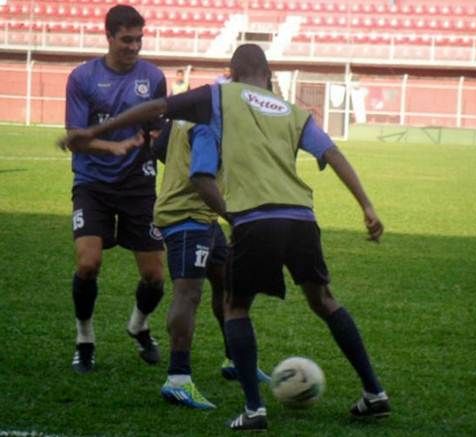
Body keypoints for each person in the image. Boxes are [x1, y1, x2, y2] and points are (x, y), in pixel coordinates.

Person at [61, 43, 390, 431]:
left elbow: (157, 110)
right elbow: (333, 154)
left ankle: (254, 409)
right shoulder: (291, 111)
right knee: (324, 300)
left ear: (232, 74)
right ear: (268, 76)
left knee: (236, 306)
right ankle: (374, 392)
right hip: (301, 217)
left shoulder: (219, 96)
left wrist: (98, 129)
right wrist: (367, 206)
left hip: (254, 218)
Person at [63, 5, 167, 373]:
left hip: (139, 184)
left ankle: (138, 326)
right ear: (108, 36)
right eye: (127, 39)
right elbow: (76, 138)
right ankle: (84, 340)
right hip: (93, 183)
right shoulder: (82, 78)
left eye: (139, 39)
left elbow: (157, 128)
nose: (134, 46)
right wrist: (115, 147)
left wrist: (157, 137)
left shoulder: (154, 77)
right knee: (88, 264)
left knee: (155, 277)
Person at [151, 120, 270, 410]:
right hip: (186, 217)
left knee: (228, 281)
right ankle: (178, 380)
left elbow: (158, 146)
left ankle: (234, 360)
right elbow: (200, 178)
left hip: (204, 217)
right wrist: (235, 217)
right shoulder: (208, 123)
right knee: (188, 293)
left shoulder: (192, 114)